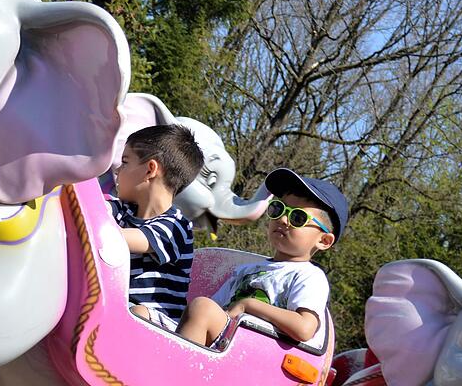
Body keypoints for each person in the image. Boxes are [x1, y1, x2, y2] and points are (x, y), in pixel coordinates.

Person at [175, 168, 349, 348]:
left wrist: (248, 304)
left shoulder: (309, 276)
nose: (282, 219)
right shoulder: (245, 271)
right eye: (278, 209)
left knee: (202, 308)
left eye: (297, 217)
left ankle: (176, 369)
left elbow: (304, 328)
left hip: (258, 354)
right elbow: (216, 309)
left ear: (324, 240)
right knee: (145, 311)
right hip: (223, 344)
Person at [107, 124, 204, 331]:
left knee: (138, 313)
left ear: (150, 169)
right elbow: (93, 211)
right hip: (117, 307)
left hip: (160, 324)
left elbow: (117, 237)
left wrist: (92, 224)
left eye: (125, 162)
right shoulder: (122, 210)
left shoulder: (176, 226)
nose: (117, 170)